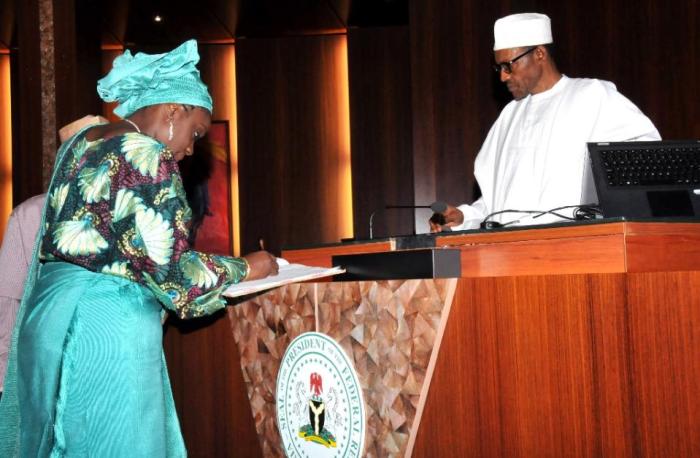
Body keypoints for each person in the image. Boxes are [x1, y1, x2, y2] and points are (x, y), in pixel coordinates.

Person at [0, 40, 278, 456]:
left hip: (47, 320)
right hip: (102, 331)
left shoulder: (81, 142)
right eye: (195, 132)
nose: (190, 149)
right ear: (173, 111)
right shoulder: (145, 152)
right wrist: (247, 267)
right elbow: (174, 277)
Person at [430, 13, 660, 231]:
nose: (503, 76)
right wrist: (465, 217)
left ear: (539, 53)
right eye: (499, 67)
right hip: (508, 250)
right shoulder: (509, 116)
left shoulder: (592, 96)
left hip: (573, 246)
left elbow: (645, 157)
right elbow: (498, 203)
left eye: (509, 66)